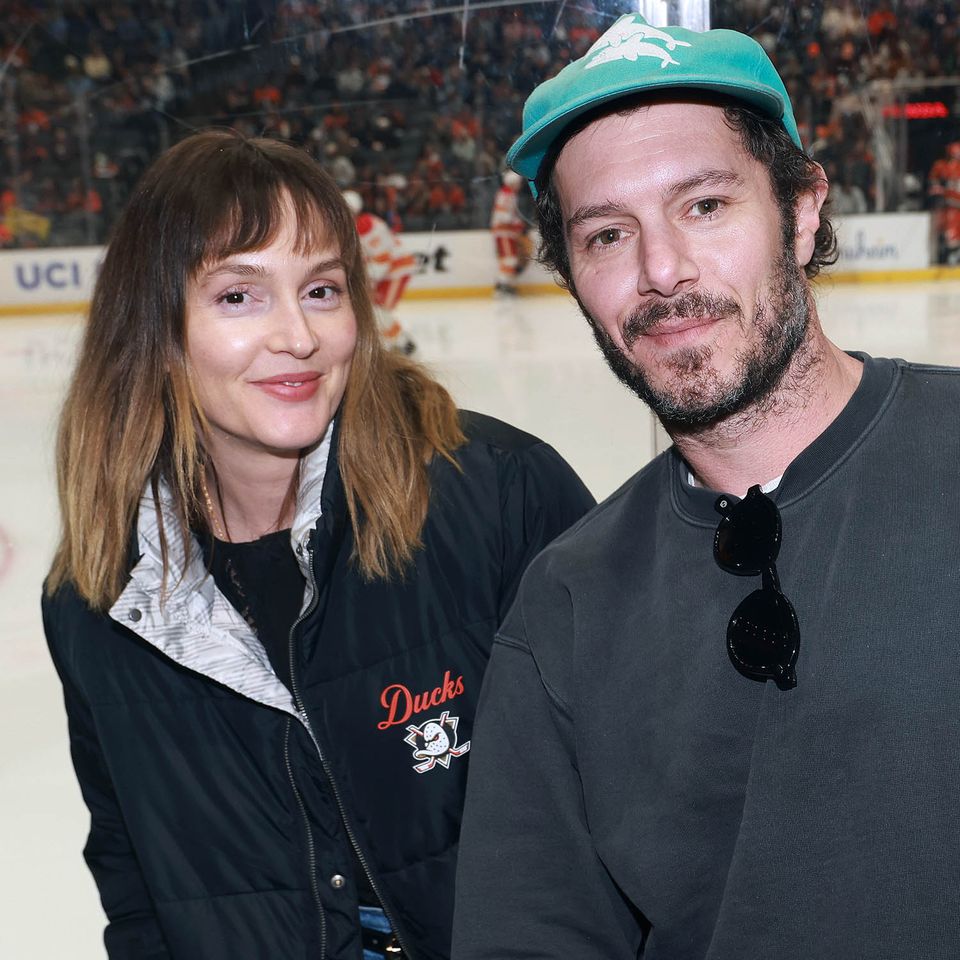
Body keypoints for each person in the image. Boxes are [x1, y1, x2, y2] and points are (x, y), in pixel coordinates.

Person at [453, 14, 960, 960]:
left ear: (802, 212)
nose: (661, 272)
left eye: (705, 206)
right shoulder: (566, 608)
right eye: (608, 234)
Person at [42, 129, 594, 960]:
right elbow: (135, 884)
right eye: (239, 296)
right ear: (154, 327)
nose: (297, 335)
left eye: (322, 290)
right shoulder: (101, 599)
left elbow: (636, 797)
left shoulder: (498, 494)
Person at [343, 189, 418, 354]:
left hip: (396, 270)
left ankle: (397, 345)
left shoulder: (366, 227)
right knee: (377, 309)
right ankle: (401, 343)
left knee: (379, 309)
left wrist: (369, 281)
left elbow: (382, 259)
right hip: (390, 271)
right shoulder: (359, 225)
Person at [489, 169, 529, 296]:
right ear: (513, 183)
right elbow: (504, 216)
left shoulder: (509, 194)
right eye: (518, 183)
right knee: (509, 258)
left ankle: (505, 284)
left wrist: (517, 224)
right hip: (504, 232)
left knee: (509, 258)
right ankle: (503, 285)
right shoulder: (506, 195)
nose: (519, 186)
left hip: (507, 232)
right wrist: (517, 224)